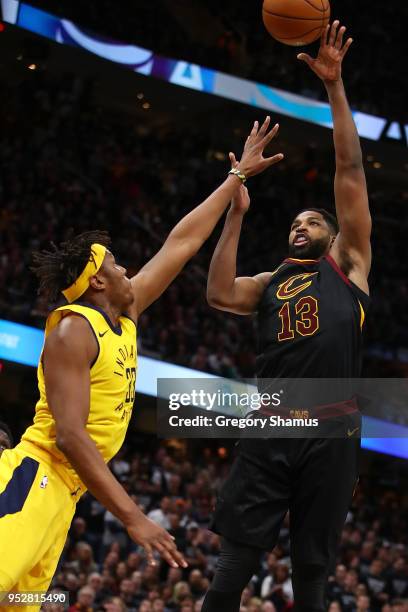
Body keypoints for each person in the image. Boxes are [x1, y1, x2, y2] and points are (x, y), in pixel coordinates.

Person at [0, 117, 283, 604]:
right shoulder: (72, 329)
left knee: (24, 604)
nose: (126, 266)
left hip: (66, 496)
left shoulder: (125, 313)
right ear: (97, 282)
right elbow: (68, 434)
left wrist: (235, 181)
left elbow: (181, 244)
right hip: (38, 476)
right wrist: (133, 517)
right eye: (114, 262)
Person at [204, 22, 371, 612]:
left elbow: (349, 171)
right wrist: (235, 211)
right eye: (295, 222)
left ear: (331, 233)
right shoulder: (271, 279)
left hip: (333, 426)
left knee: (312, 572)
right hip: (273, 418)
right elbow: (220, 292)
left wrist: (335, 88)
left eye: (312, 221)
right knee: (236, 564)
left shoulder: (348, 263)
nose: (300, 225)